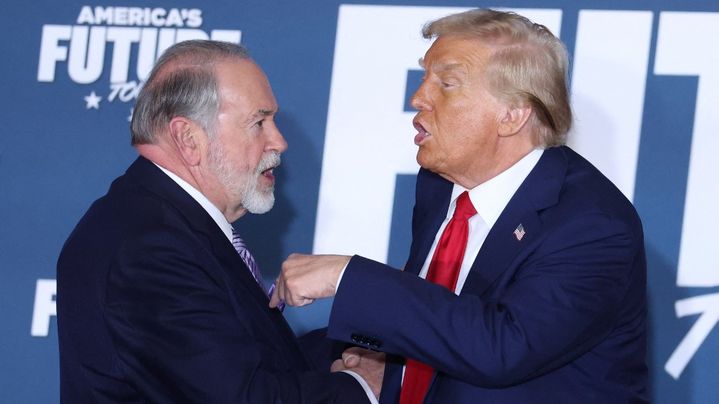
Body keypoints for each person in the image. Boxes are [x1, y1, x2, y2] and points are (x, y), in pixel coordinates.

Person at [271, 9, 648, 403]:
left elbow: (502, 347)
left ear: (512, 115)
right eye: (424, 78)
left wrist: (347, 276)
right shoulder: (439, 184)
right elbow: (444, 318)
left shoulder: (593, 225)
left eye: (446, 84)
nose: (418, 97)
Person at [57, 40, 380, 403]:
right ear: (189, 138)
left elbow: (245, 365)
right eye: (259, 122)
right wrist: (363, 385)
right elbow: (243, 396)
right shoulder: (149, 246)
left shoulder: (169, 225)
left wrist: (369, 346)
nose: (280, 141)